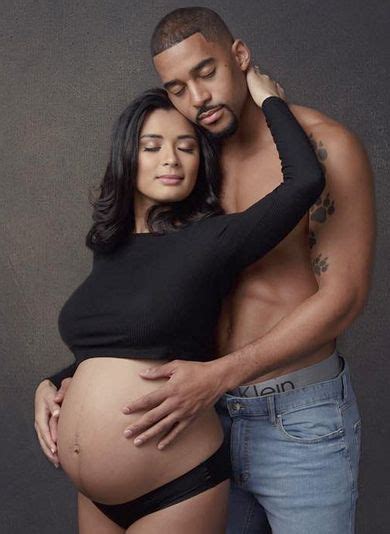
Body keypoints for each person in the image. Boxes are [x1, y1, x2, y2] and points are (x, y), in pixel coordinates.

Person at [34, 67, 325, 533]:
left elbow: (305, 180)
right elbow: (120, 343)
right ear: (128, 157)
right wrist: (49, 385)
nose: (170, 159)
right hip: (94, 495)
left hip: (174, 484)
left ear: (200, 163)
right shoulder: (109, 248)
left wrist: (268, 100)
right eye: (152, 147)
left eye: (186, 147)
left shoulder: (213, 240)